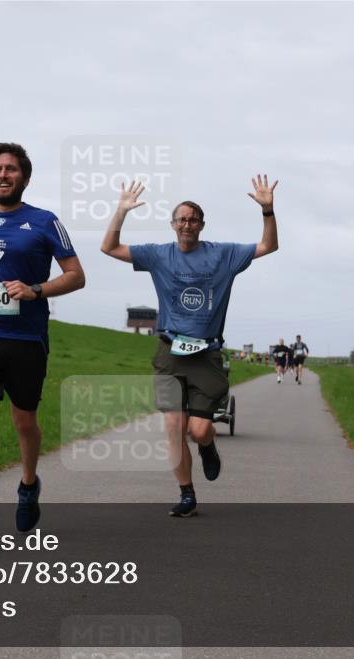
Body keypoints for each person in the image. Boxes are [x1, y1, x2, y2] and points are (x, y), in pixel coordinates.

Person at [101, 175, 279, 517]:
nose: (187, 224)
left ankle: (207, 446)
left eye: (193, 219)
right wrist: (121, 212)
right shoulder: (158, 255)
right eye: (181, 219)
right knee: (173, 426)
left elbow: (268, 246)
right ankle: (186, 493)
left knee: (198, 430)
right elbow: (109, 248)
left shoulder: (224, 255)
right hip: (169, 351)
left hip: (206, 354)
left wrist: (268, 210)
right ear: (172, 224)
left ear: (201, 225)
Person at [0, 142, 86, 537]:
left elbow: (76, 275)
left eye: (11, 169)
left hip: (26, 337)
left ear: (24, 177)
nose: (4, 175)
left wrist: (35, 290)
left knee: (24, 420)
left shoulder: (45, 222)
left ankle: (28, 483)